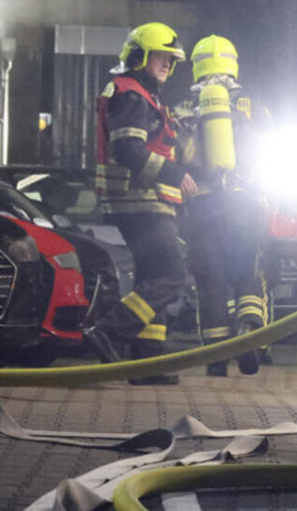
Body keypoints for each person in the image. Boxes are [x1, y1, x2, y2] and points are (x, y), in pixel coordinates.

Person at [84, 22, 198, 386]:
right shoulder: (132, 94)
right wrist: (175, 173)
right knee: (172, 275)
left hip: (145, 201)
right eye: (161, 57)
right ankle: (109, 331)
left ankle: (146, 363)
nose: (167, 64)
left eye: (171, 59)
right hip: (141, 201)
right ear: (139, 56)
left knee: (152, 277)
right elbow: (128, 149)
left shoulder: (143, 95)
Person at [176, 35, 271, 377]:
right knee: (247, 270)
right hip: (245, 201)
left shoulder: (184, 106)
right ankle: (249, 326)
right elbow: (270, 148)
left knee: (210, 278)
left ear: (197, 64)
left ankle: (217, 357)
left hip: (202, 204)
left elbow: (175, 153)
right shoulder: (252, 104)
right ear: (233, 62)